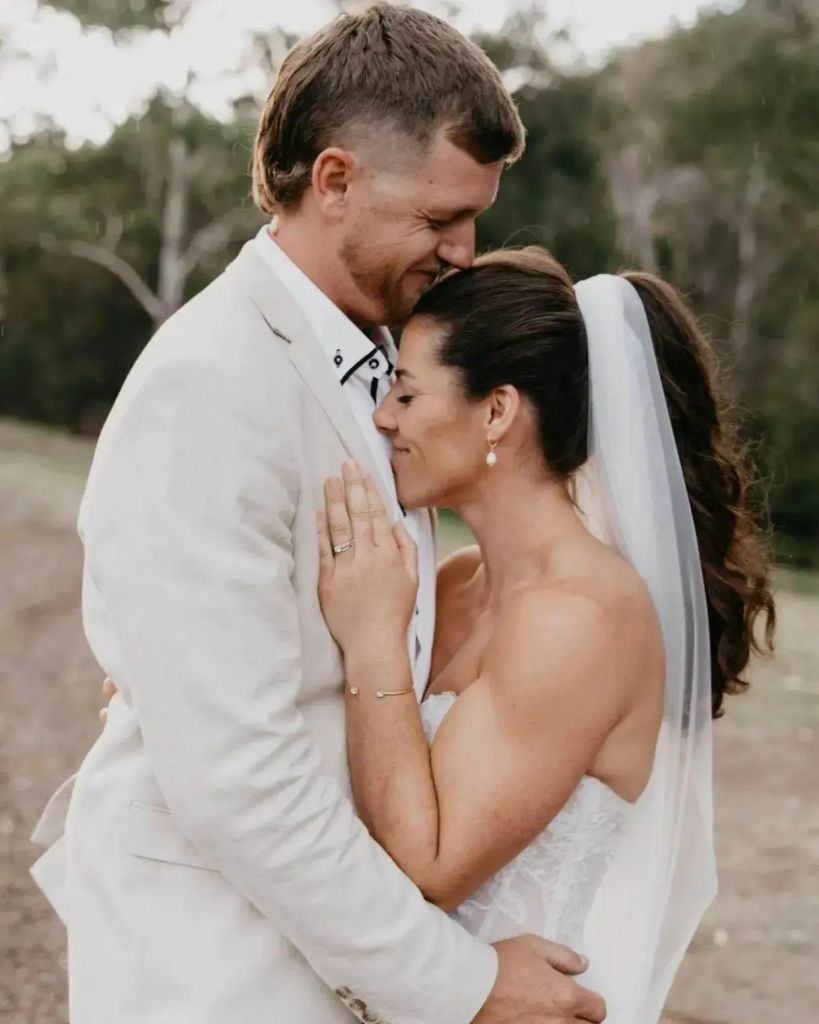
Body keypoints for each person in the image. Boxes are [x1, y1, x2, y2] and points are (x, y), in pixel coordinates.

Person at [29, 6, 607, 1024]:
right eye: (440, 219)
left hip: (319, 957)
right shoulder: (210, 385)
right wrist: (461, 982)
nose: (465, 252)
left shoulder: (384, 367)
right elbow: (239, 780)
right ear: (334, 181)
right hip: (215, 973)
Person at [315, 247, 776, 1023]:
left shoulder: (583, 618)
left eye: (407, 391)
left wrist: (372, 646)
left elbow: (428, 872)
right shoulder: (455, 583)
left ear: (496, 412)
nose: (383, 416)